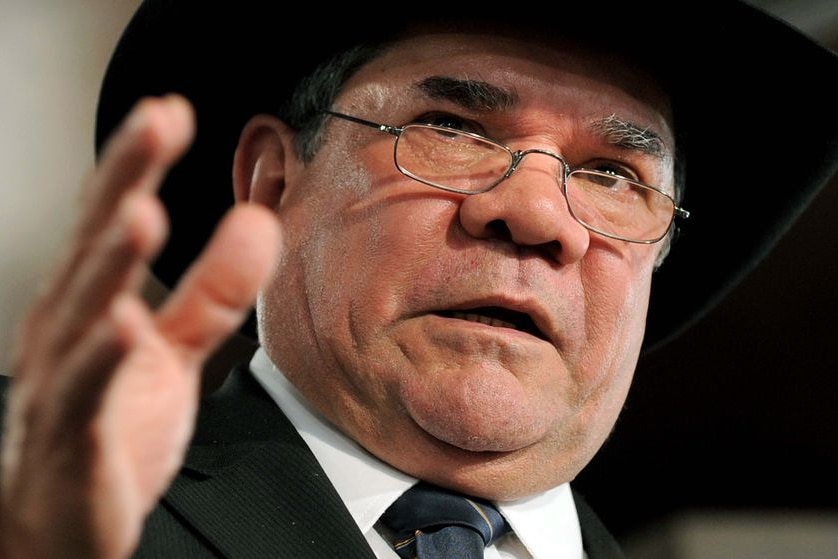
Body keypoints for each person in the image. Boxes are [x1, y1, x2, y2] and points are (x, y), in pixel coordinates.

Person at [1, 2, 837, 558]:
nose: (539, 214)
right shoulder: (29, 485)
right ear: (272, 183)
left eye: (615, 175)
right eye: (452, 127)